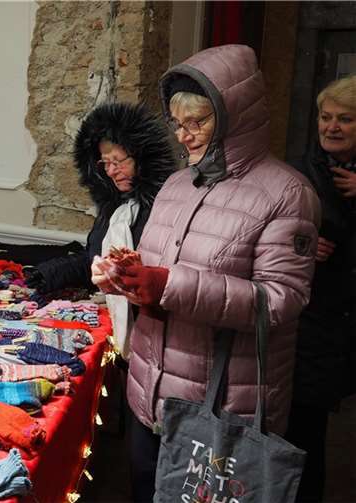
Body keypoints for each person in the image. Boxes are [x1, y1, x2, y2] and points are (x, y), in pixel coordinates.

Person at [93, 44, 321, 502]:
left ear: (236, 116)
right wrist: (128, 277)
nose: (184, 136)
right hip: (150, 394)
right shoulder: (177, 185)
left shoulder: (287, 193)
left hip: (221, 406)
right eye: (178, 124)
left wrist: (167, 285)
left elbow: (281, 300)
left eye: (197, 122)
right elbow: (159, 275)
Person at [26, 102, 175, 358]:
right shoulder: (114, 209)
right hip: (114, 326)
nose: (111, 171)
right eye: (105, 163)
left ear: (142, 158)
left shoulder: (166, 210)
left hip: (154, 336)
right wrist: (49, 273)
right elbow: (95, 260)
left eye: (118, 161)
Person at [285, 74, 356, 503]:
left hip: (349, 320)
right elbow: (275, 234)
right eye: (326, 117)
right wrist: (303, 245)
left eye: (345, 119)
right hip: (313, 320)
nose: (332, 127)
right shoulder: (300, 172)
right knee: (305, 431)